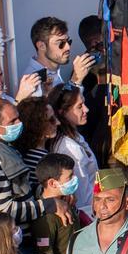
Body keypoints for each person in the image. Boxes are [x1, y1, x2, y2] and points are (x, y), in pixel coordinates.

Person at [0, 98, 63, 235]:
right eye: (12, 121)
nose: (19, 123)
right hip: (13, 240)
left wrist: (52, 191)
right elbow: (3, 211)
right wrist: (50, 205)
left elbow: (24, 189)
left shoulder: (6, 148)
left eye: (18, 118)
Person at [48, 85, 99, 216]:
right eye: (79, 106)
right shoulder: (68, 148)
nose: (86, 109)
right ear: (62, 112)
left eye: (84, 104)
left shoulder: (75, 137)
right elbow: (83, 194)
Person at [22, 17, 96, 97]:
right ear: (41, 46)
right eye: (61, 43)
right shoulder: (33, 80)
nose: (68, 47)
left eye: (68, 41)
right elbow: (56, 109)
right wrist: (76, 80)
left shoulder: (52, 71)